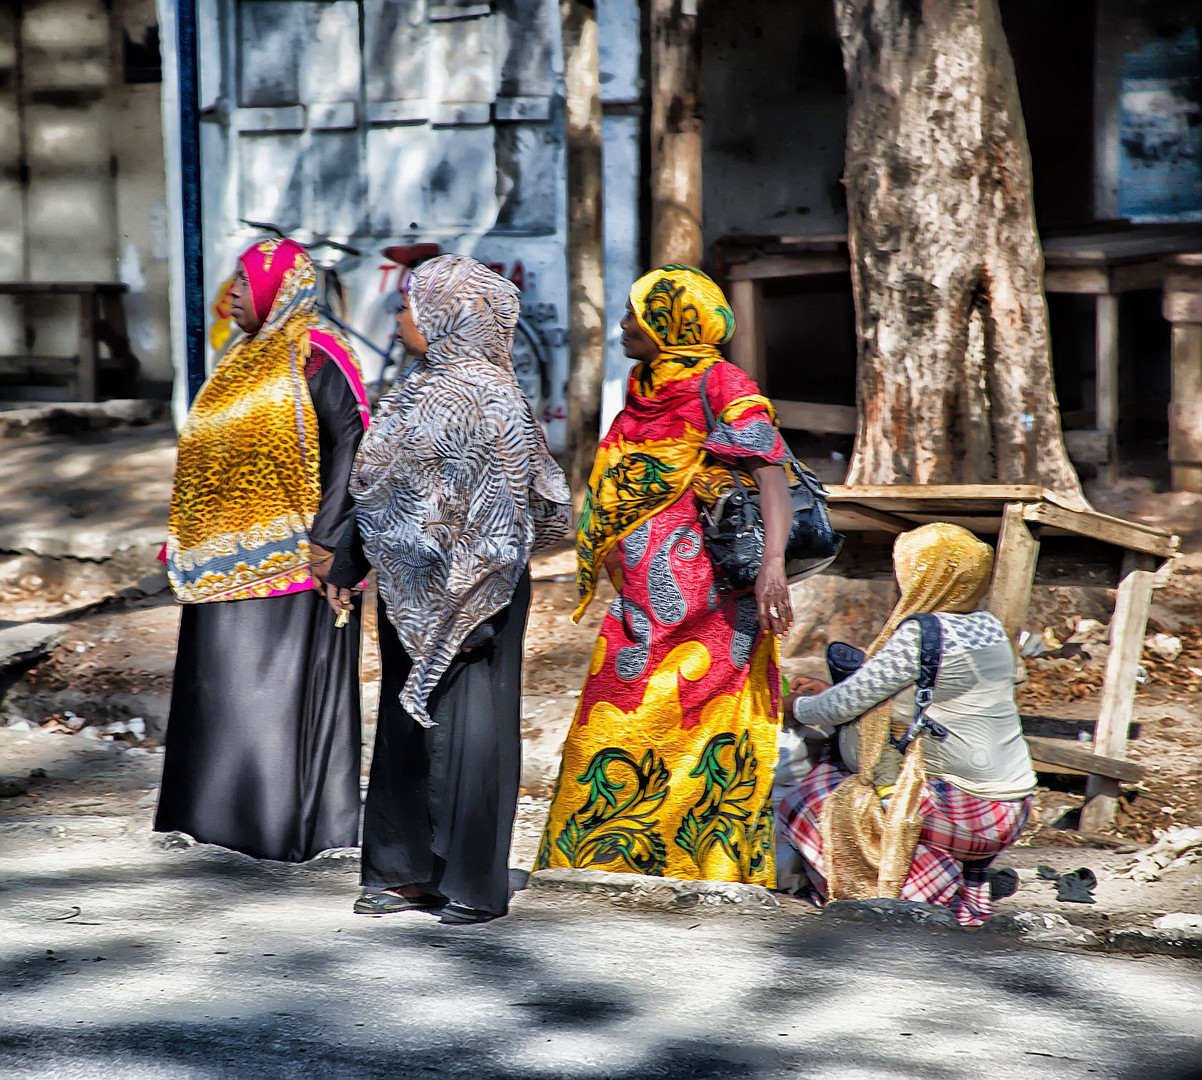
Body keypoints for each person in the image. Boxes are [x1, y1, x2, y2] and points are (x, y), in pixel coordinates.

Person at [326, 254, 571, 925]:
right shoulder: (415, 392)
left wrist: (479, 572)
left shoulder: (493, 399)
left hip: (477, 591)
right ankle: (403, 874)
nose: (402, 318)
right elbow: (374, 492)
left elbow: (524, 503)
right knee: (407, 726)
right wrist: (351, 562)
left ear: (451, 315)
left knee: (472, 730)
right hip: (411, 586)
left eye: (412, 306)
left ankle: (469, 883)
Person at [535, 265, 795, 886]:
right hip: (641, 607)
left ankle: (709, 867)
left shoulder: (722, 382)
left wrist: (774, 566)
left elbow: (772, 474)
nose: (625, 325)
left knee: (707, 731)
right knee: (617, 717)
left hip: (715, 603)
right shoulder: (642, 383)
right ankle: (603, 860)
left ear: (671, 324)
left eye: (636, 314)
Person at [154, 238, 371, 862]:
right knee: (219, 692)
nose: (233, 296)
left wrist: (332, 543)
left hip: (297, 568)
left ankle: (278, 828)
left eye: (245, 285)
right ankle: (215, 823)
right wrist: (185, 538)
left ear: (279, 288)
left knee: (270, 700)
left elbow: (350, 449)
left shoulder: (318, 355)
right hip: (219, 563)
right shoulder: (240, 357)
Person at [778, 522, 1036, 926]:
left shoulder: (922, 631)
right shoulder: (987, 625)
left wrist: (795, 705)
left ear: (927, 575)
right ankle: (958, 884)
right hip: (1013, 808)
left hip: (965, 810)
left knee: (817, 795)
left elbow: (841, 706)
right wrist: (832, 688)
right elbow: (922, 691)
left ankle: (894, 893)